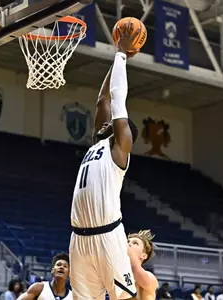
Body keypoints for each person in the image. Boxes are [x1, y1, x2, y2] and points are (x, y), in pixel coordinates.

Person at [69, 21, 141, 300]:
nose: (101, 123)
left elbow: (117, 100)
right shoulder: (99, 142)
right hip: (79, 239)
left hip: (108, 236)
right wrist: (116, 60)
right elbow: (103, 100)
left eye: (109, 123)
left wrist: (122, 54)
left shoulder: (119, 148)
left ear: (120, 130)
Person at [127, 230, 158, 300]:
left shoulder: (150, 278)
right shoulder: (117, 273)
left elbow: (135, 268)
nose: (129, 244)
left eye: (135, 243)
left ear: (143, 255)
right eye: (128, 241)